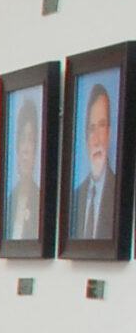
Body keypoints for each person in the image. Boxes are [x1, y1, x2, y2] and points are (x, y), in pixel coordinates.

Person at [70, 81, 120, 242]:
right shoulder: (75, 197)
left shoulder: (119, 193)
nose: (97, 139)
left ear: (110, 133)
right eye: (92, 129)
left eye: (102, 126)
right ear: (86, 139)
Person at [6, 96, 46, 241]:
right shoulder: (8, 201)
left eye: (31, 140)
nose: (25, 150)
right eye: (22, 139)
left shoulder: (40, 200)